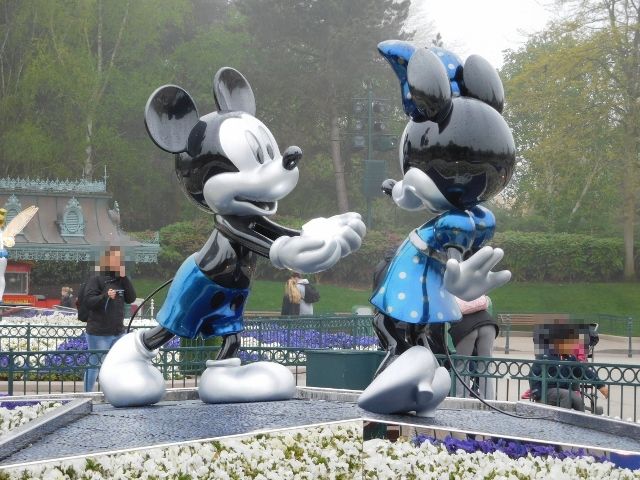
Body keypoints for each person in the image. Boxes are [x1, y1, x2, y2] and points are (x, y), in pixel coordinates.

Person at [83, 246, 136, 392]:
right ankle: (87, 396)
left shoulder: (121, 280)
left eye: (120, 259)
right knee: (95, 364)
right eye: (115, 258)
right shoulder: (96, 279)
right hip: (99, 332)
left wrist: (125, 278)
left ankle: (114, 394)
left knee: (116, 365)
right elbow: (88, 301)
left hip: (118, 332)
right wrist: (105, 296)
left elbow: (131, 298)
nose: (119, 261)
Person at [528, 327, 609, 411]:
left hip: (564, 391)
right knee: (567, 396)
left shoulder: (570, 358)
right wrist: (537, 394)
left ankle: (581, 419)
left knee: (578, 400)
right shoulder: (545, 356)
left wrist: (600, 386)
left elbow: (584, 372)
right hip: (545, 391)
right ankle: (563, 419)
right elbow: (533, 375)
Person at [449, 296, 499, 400]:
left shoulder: (452, 292)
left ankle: (462, 399)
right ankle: (488, 400)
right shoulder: (475, 291)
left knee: (462, 365)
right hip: (488, 323)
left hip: (464, 326)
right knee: (485, 366)